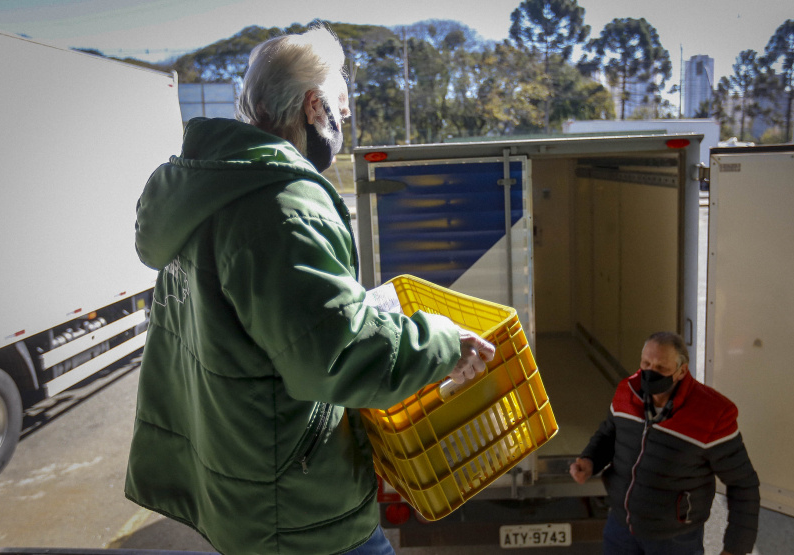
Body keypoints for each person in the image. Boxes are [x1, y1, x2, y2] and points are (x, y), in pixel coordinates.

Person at [124, 25, 494, 555]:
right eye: (341, 110)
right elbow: (336, 354)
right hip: (298, 511)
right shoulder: (282, 207)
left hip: (241, 485)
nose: (343, 122)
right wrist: (444, 344)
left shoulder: (207, 189)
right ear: (314, 106)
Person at [570, 332, 759, 555]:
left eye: (661, 367)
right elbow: (609, 434)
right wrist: (590, 460)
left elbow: (743, 484)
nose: (651, 372)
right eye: (646, 364)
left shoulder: (712, 414)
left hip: (674, 539)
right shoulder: (626, 391)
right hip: (620, 527)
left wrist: (735, 549)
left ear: (682, 371)